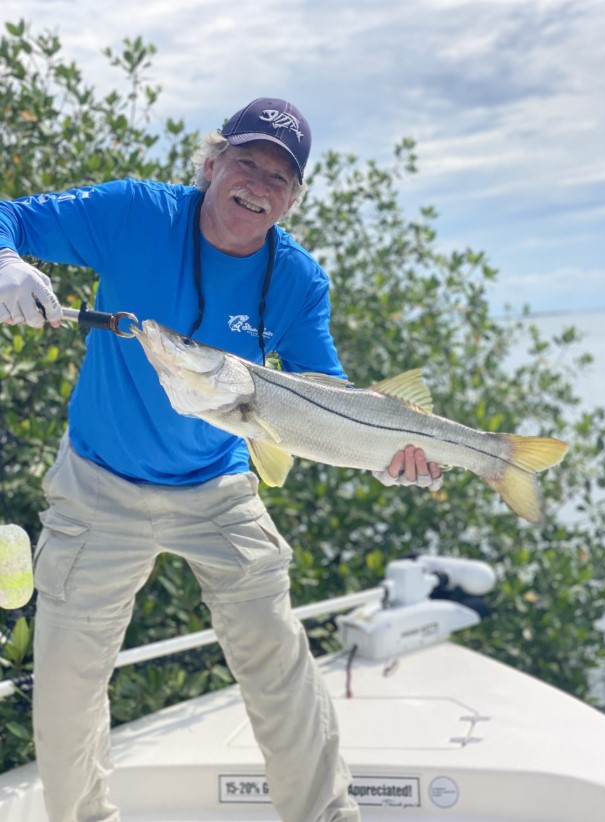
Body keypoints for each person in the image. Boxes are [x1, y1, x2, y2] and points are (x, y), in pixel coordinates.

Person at [0, 97, 442, 822]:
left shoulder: (297, 281)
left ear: (294, 198)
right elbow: (8, 214)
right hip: (99, 483)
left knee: (279, 661)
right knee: (66, 682)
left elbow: (326, 401)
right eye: (246, 161)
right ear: (210, 163)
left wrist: (385, 453)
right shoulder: (133, 214)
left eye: (280, 177)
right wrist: (6, 261)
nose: (259, 183)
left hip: (218, 485)